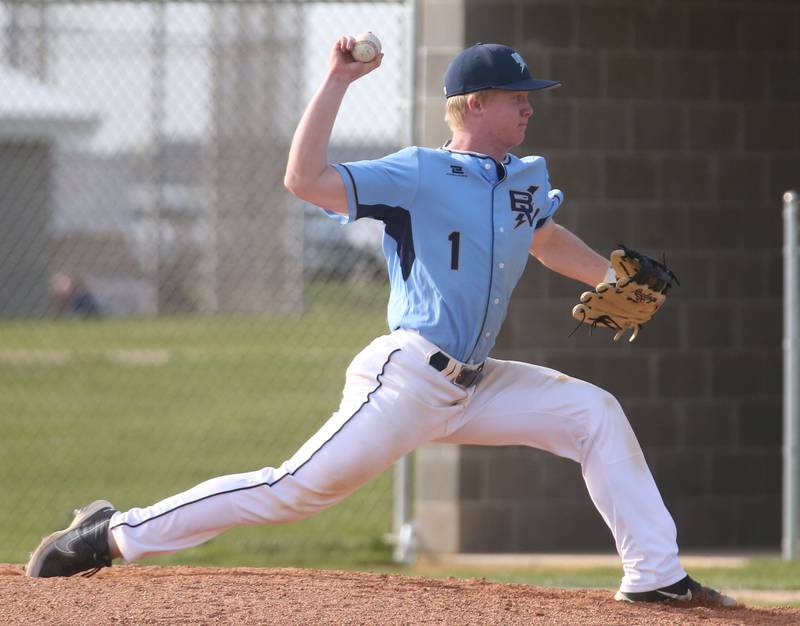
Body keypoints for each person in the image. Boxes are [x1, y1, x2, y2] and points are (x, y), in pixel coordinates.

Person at [26, 37, 736, 608]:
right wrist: (337, 80)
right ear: (476, 104)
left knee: (595, 415)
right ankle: (111, 534)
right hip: (406, 380)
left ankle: (654, 576)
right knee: (292, 491)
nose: (529, 109)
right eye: (517, 98)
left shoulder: (523, 176)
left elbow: (546, 239)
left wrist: (610, 278)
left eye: (529, 99)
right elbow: (304, 181)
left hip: (476, 386)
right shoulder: (419, 172)